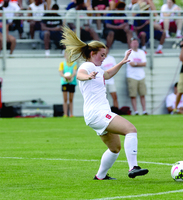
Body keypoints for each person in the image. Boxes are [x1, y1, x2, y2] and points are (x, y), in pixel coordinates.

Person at [60, 26, 149, 180]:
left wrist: (122, 62)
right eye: (102, 55)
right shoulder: (88, 66)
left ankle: (100, 176)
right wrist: (88, 77)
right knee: (131, 130)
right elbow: (80, 75)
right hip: (98, 113)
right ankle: (133, 167)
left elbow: (107, 74)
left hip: (94, 115)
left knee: (115, 148)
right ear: (92, 53)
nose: (104, 58)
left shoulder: (98, 69)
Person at [126, 37, 148, 115]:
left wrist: (135, 64)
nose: (135, 44)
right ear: (131, 44)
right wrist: (138, 64)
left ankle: (144, 111)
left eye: (136, 43)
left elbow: (144, 63)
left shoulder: (141, 52)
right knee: (133, 95)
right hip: (132, 76)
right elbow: (131, 64)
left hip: (141, 76)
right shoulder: (128, 52)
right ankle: (136, 111)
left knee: (142, 94)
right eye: (133, 43)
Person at [58, 52, 77, 118]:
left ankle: (71, 114)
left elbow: (74, 72)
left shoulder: (74, 64)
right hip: (64, 83)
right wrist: (65, 76)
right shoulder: (62, 64)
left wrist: (71, 76)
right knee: (65, 99)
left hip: (72, 83)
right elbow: (61, 73)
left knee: (71, 99)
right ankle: (65, 114)